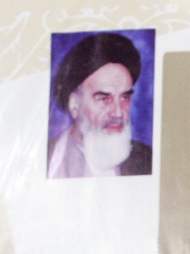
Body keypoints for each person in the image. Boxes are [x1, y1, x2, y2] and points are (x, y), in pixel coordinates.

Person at [47, 32, 152, 178]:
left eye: (124, 98)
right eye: (104, 99)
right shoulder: (45, 159)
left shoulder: (147, 160)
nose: (118, 113)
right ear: (75, 105)